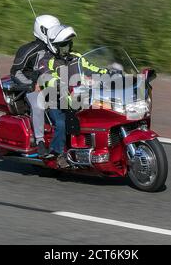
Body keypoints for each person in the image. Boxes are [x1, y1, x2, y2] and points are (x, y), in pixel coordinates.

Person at [38, 24, 112, 168]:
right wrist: (58, 84)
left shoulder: (77, 57)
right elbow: (46, 77)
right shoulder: (47, 61)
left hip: (78, 97)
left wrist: (107, 72)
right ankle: (57, 154)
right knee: (61, 123)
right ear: (54, 46)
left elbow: (92, 68)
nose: (68, 48)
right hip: (56, 100)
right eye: (64, 45)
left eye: (69, 44)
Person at [10, 15, 60, 156]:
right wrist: (32, 85)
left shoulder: (57, 49)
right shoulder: (28, 49)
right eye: (53, 30)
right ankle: (40, 142)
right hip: (32, 88)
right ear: (43, 30)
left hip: (53, 86)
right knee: (39, 104)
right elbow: (15, 72)